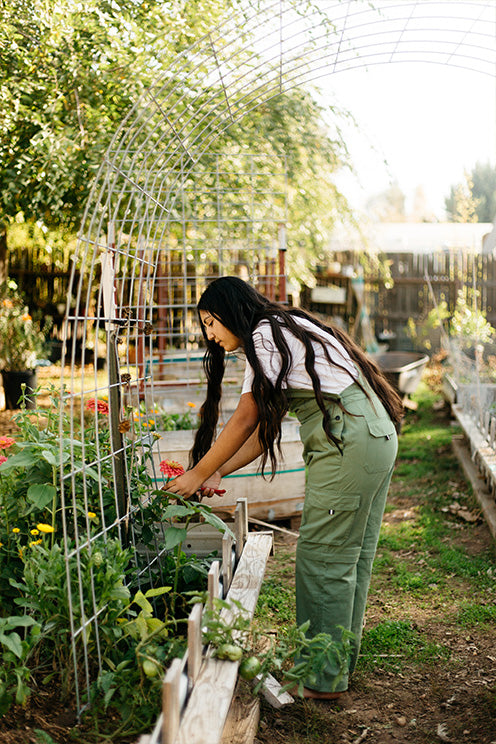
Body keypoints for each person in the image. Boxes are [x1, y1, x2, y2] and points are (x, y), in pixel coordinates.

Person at [165, 275, 403, 699]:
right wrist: (218, 472)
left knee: (322, 558)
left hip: (349, 443)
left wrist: (195, 474)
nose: (210, 335)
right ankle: (334, 665)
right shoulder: (281, 328)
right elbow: (260, 433)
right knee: (350, 556)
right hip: (372, 437)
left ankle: (320, 678)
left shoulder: (265, 337)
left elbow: (244, 419)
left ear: (228, 311)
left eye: (209, 323)